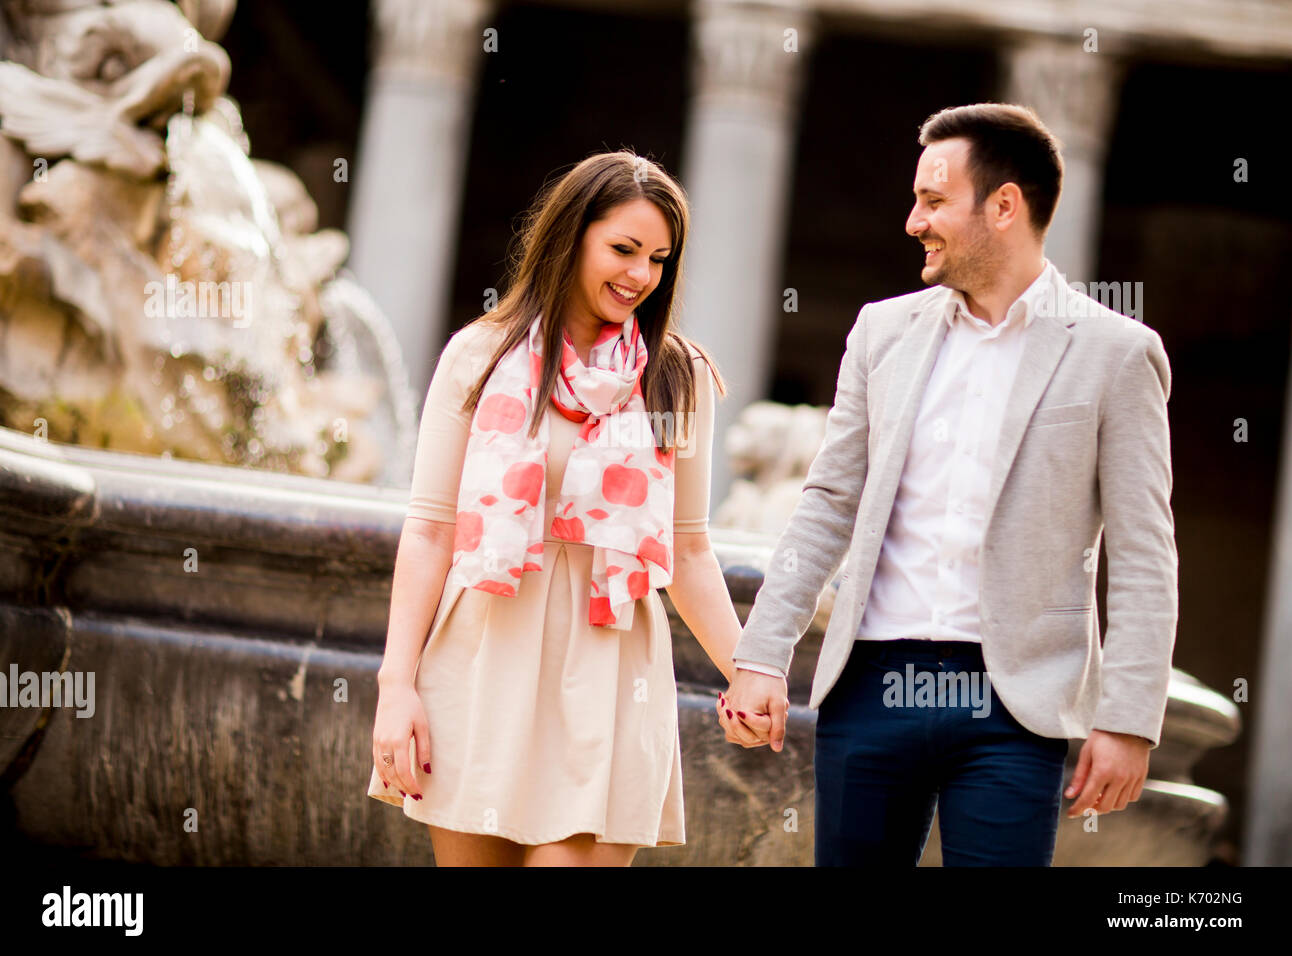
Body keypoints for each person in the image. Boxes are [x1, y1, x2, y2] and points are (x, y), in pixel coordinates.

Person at [719, 103, 1178, 866]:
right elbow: (828, 504)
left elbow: (1143, 551)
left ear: (1004, 206)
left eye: (933, 202)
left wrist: (1129, 717)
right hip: (870, 684)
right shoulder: (880, 332)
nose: (912, 221)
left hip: (1015, 703)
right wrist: (762, 656)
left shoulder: (1117, 353)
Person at [367, 150, 767, 866]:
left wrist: (749, 670)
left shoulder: (677, 378)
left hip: (607, 672)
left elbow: (690, 549)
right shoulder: (479, 357)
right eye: (622, 249)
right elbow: (430, 531)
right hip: (481, 657)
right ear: (571, 236)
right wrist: (396, 687)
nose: (640, 274)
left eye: (658, 259)